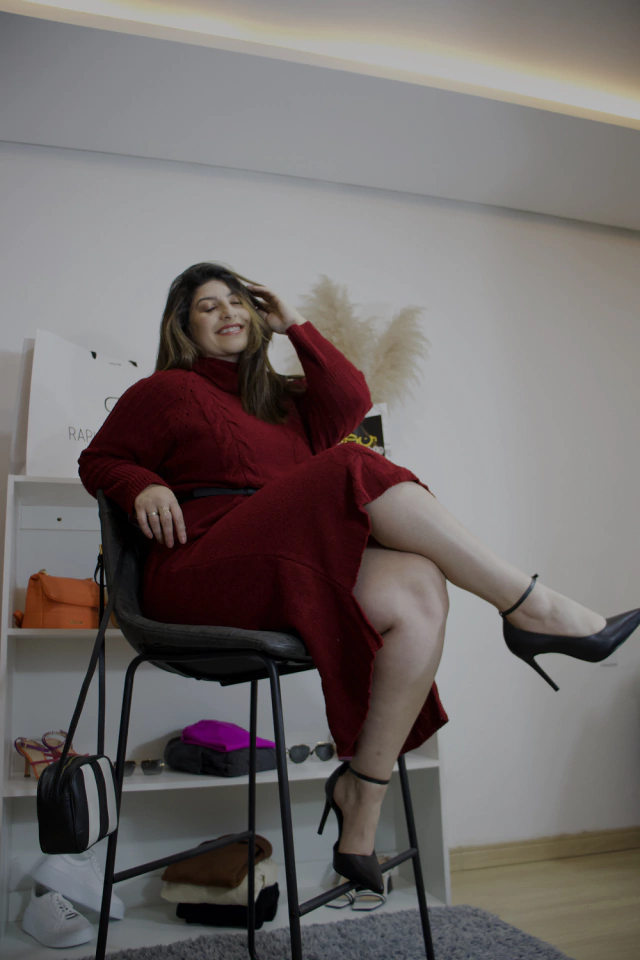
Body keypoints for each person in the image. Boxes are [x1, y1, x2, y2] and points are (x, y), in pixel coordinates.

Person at [78, 261, 640, 896]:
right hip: (201, 570)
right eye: (208, 306)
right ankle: (532, 607)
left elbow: (352, 399)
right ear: (183, 327)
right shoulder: (165, 391)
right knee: (353, 462)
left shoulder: (283, 400)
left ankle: (362, 797)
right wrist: (142, 483)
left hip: (281, 563)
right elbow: (98, 459)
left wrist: (294, 323)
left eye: (237, 301)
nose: (228, 311)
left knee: (419, 586)